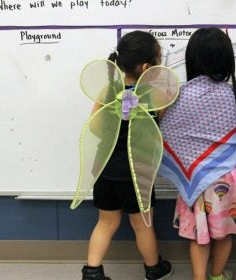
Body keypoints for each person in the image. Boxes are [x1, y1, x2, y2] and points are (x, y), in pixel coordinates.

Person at [159, 27, 236, 280]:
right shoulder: (234, 93)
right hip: (228, 177)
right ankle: (217, 275)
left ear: (192, 58)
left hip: (194, 178)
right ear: (226, 59)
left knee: (199, 232)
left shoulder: (177, 94)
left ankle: (199, 278)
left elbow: (167, 131)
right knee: (225, 231)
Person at [81, 30, 173, 280]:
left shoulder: (108, 90)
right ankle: (154, 268)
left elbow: (95, 127)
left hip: (105, 167)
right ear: (147, 66)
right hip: (138, 170)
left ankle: (92, 271)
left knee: (106, 223)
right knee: (143, 226)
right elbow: (158, 128)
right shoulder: (156, 95)